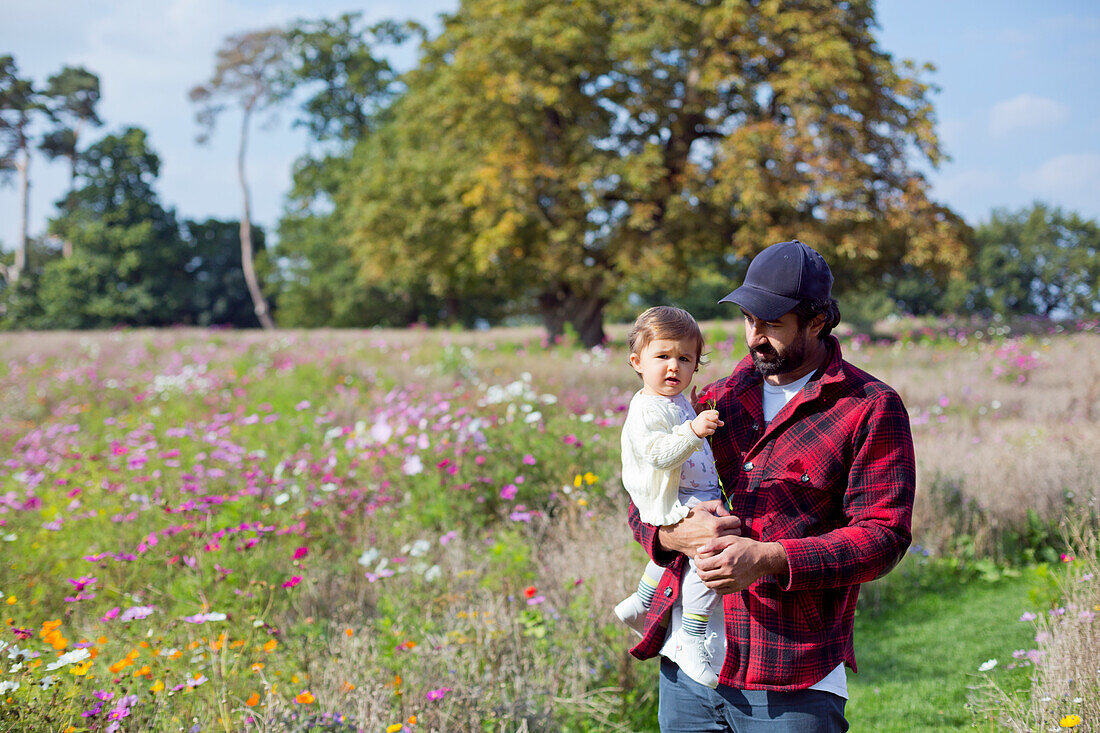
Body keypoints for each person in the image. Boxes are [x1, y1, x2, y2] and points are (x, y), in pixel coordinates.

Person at [626, 240, 916, 732]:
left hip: (789, 674)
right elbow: (644, 492)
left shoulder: (869, 407)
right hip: (687, 666)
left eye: (773, 324)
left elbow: (884, 536)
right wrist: (675, 536)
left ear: (817, 321)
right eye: (749, 320)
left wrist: (769, 558)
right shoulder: (716, 397)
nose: (755, 337)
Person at [613, 306, 725, 688]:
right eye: (662, 356)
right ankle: (693, 636)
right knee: (709, 553)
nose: (673, 366)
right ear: (637, 362)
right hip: (676, 497)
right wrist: (694, 431)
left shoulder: (675, 400)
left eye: (685, 358)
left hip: (696, 492)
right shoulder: (646, 408)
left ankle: (641, 602)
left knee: (676, 552)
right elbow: (659, 454)